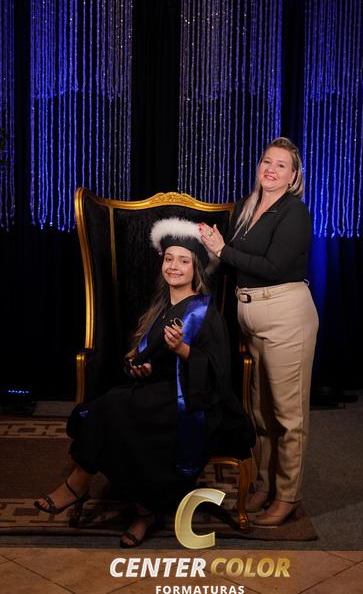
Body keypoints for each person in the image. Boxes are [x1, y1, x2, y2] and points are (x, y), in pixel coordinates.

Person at [34, 217, 254, 546]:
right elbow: (150, 362)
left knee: (113, 407)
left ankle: (81, 486)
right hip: (159, 391)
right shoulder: (161, 309)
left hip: (193, 401)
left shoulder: (205, 312)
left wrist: (182, 349)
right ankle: (143, 509)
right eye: (169, 259)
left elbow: (218, 373)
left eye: (183, 261)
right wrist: (143, 368)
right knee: (110, 410)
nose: (174, 266)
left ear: (196, 268)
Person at [199, 137, 319, 526]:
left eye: (281, 165)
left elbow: (272, 267)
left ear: (293, 176)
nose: (271, 169)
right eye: (267, 161)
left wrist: (222, 250)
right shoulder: (248, 207)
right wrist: (203, 251)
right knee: (261, 412)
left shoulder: (294, 212)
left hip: (285, 314)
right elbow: (232, 262)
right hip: (251, 315)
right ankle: (265, 487)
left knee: (288, 415)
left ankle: (288, 497)